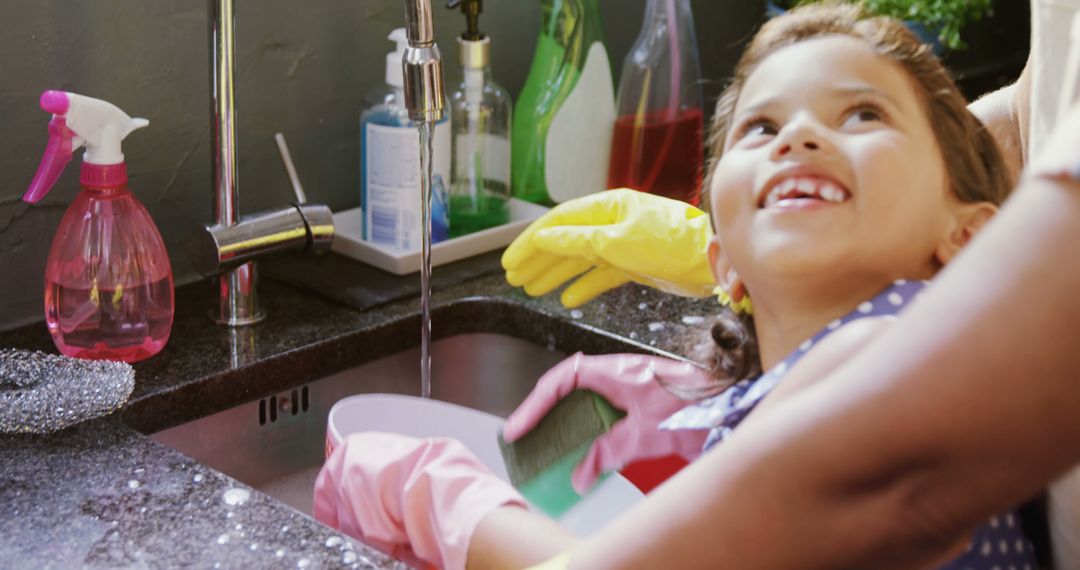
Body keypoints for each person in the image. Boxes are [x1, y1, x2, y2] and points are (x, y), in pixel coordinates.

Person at [312, 4, 1065, 568]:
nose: (800, 137)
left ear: (969, 235)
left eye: (863, 113)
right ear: (721, 258)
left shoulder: (885, 356)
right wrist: (716, 411)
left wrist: (442, 492)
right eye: (761, 129)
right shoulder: (848, 366)